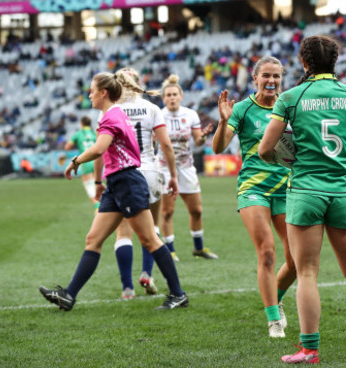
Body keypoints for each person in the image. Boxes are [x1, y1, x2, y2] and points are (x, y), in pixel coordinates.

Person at [258, 35, 346, 363]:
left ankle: (309, 349)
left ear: (304, 62)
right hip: (342, 191)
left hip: (306, 192)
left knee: (307, 272)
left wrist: (286, 158)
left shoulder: (291, 96)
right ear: (335, 63)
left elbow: (265, 149)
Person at [39, 70, 188, 311]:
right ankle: (69, 295)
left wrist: (75, 161)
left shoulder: (111, 116)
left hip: (127, 182)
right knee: (93, 239)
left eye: (92, 90)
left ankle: (178, 294)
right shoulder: (113, 113)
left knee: (149, 239)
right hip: (117, 184)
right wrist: (100, 182)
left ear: (103, 93)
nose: (89, 95)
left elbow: (99, 149)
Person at [213, 56, 296, 338]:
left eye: (276, 76)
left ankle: (277, 296)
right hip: (254, 188)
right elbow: (219, 146)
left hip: (287, 188)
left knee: (297, 257)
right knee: (268, 252)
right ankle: (273, 318)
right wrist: (224, 122)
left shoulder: (289, 105)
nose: (271, 81)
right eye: (266, 76)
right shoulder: (244, 109)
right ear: (255, 79)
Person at [111, 67, 179, 300]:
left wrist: (100, 180)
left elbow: (104, 148)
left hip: (124, 172)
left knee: (123, 231)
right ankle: (147, 274)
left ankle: (127, 287)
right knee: (152, 227)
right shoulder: (152, 108)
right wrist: (173, 175)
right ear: (139, 84)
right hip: (150, 171)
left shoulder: (113, 110)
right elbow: (166, 146)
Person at [159, 74, 218, 262]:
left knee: (197, 210)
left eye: (174, 94)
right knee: (167, 212)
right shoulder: (158, 115)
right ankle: (170, 250)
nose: (171, 98)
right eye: (167, 95)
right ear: (163, 98)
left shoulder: (190, 115)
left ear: (181, 96)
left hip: (186, 166)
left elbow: (198, 140)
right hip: (164, 168)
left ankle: (198, 249)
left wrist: (203, 136)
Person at [65, 116, 99, 209]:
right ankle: (103, 206)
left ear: (81, 124)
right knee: (98, 185)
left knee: (90, 188)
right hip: (97, 161)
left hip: (86, 161)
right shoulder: (93, 133)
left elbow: (67, 147)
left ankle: (98, 208)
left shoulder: (79, 133)